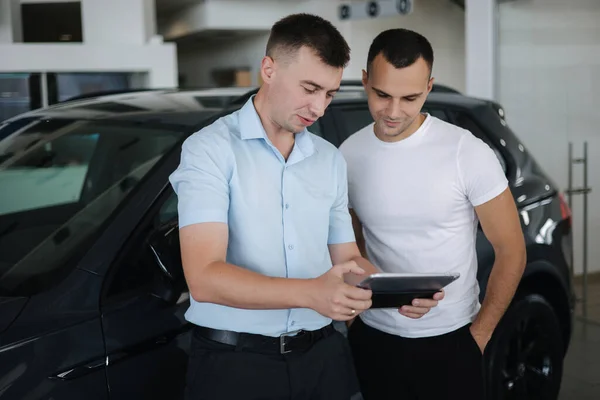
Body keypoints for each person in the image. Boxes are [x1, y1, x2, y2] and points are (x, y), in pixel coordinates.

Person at [169, 15, 441, 400]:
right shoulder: (209, 150)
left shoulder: (329, 159)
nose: (318, 107)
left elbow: (346, 258)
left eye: (329, 94)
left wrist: (394, 291)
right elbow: (204, 277)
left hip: (324, 357)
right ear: (268, 69)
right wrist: (312, 293)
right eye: (310, 88)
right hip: (235, 365)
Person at [339, 28, 527, 400]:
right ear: (365, 81)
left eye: (409, 97)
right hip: (373, 338)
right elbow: (353, 247)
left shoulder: (466, 153)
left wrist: (480, 334)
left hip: (453, 340)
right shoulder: (348, 154)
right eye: (381, 95)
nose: (393, 111)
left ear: (429, 87)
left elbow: (511, 249)